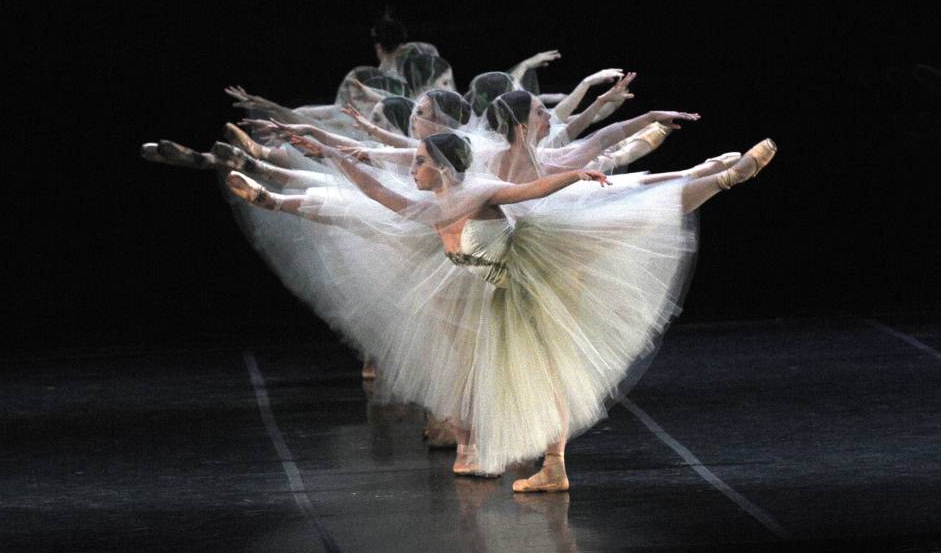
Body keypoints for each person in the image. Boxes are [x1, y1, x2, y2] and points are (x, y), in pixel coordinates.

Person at [225, 131, 776, 492]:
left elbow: (527, 188)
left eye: (418, 161)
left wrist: (574, 177)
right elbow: (373, 194)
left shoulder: (478, 187)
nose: (411, 169)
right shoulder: (429, 203)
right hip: (491, 290)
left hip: (527, 272)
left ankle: (724, 176)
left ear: (440, 165)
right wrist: (333, 157)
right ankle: (547, 467)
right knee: (530, 376)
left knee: (627, 216)